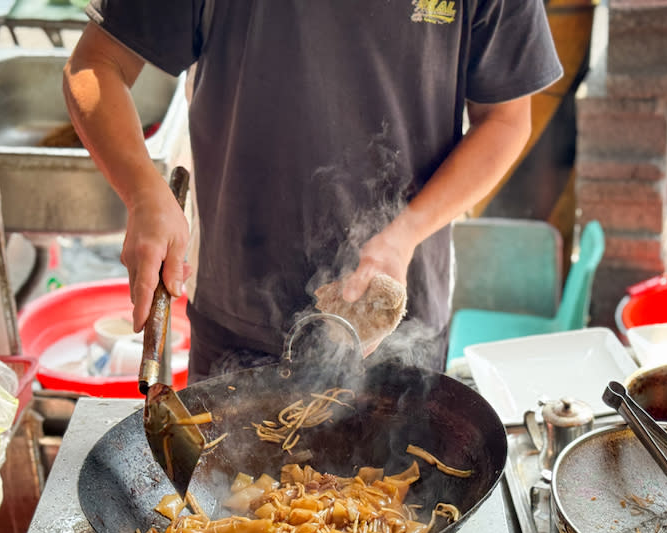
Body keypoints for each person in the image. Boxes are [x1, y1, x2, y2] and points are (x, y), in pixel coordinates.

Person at [64, 1, 563, 384]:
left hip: (396, 329)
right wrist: (145, 196)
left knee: (397, 511)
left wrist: (405, 232)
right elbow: (97, 63)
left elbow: (506, 119)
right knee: (220, 512)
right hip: (240, 323)